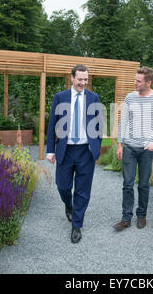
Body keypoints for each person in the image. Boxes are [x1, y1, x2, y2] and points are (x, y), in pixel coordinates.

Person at [46, 64, 103, 243]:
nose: (83, 83)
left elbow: (99, 125)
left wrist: (96, 147)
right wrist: (50, 150)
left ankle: (77, 224)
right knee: (62, 186)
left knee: (83, 190)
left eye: (86, 80)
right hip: (66, 149)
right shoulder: (60, 97)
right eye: (80, 79)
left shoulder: (94, 98)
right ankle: (68, 205)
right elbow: (51, 125)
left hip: (86, 150)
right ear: (71, 78)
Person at [113, 67, 153, 231]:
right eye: (134, 79)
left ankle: (142, 215)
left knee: (143, 184)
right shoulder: (130, 97)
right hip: (129, 147)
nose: (134, 83)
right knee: (127, 184)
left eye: (138, 81)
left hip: (146, 149)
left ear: (148, 82)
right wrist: (120, 144)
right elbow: (123, 121)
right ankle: (126, 218)